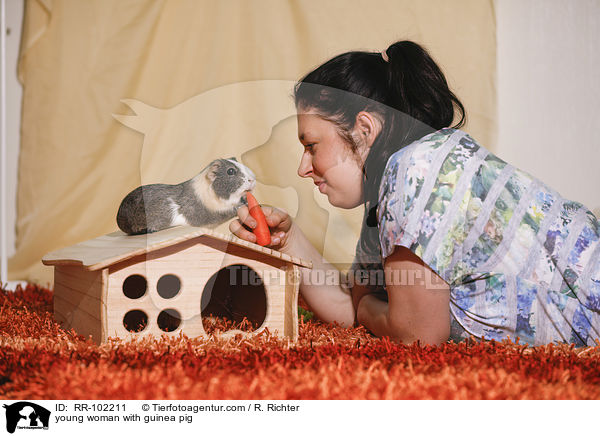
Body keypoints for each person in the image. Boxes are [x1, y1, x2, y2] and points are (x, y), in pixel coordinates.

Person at [230, 40, 600, 347]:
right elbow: (356, 307)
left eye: (311, 145)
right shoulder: (393, 185)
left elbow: (417, 335)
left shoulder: (415, 172)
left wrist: (366, 309)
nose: (303, 168)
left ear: (364, 129)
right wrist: (290, 241)